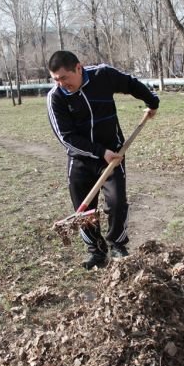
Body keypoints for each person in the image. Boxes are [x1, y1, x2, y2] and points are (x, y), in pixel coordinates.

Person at [46, 50, 159, 269]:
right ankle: (96, 252)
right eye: (55, 79)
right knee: (84, 211)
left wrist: (152, 102)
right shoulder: (56, 97)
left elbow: (131, 84)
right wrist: (99, 152)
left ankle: (117, 245)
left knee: (117, 203)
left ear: (78, 68)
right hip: (80, 160)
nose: (61, 84)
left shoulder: (103, 75)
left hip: (113, 156)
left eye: (64, 78)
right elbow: (66, 137)